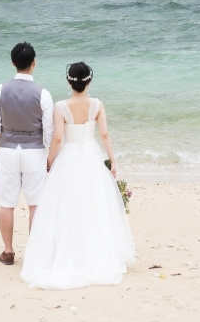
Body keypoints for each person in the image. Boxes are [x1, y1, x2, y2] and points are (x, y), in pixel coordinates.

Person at [20, 62, 136, 288]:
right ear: (89, 82)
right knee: (94, 204)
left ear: (68, 81)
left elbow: (58, 138)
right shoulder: (97, 105)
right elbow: (104, 134)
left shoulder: (61, 106)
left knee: (65, 205)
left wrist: (50, 161)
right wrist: (112, 160)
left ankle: (67, 250)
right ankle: (94, 250)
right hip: (90, 155)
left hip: (69, 158)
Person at [0, 41, 52, 266]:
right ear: (34, 63)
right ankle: (34, 252)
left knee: (7, 203)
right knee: (35, 203)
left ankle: (8, 250)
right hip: (34, 151)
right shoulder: (43, 93)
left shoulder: (0, 90)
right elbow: (50, 131)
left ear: (13, 63)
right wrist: (49, 158)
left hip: (7, 150)